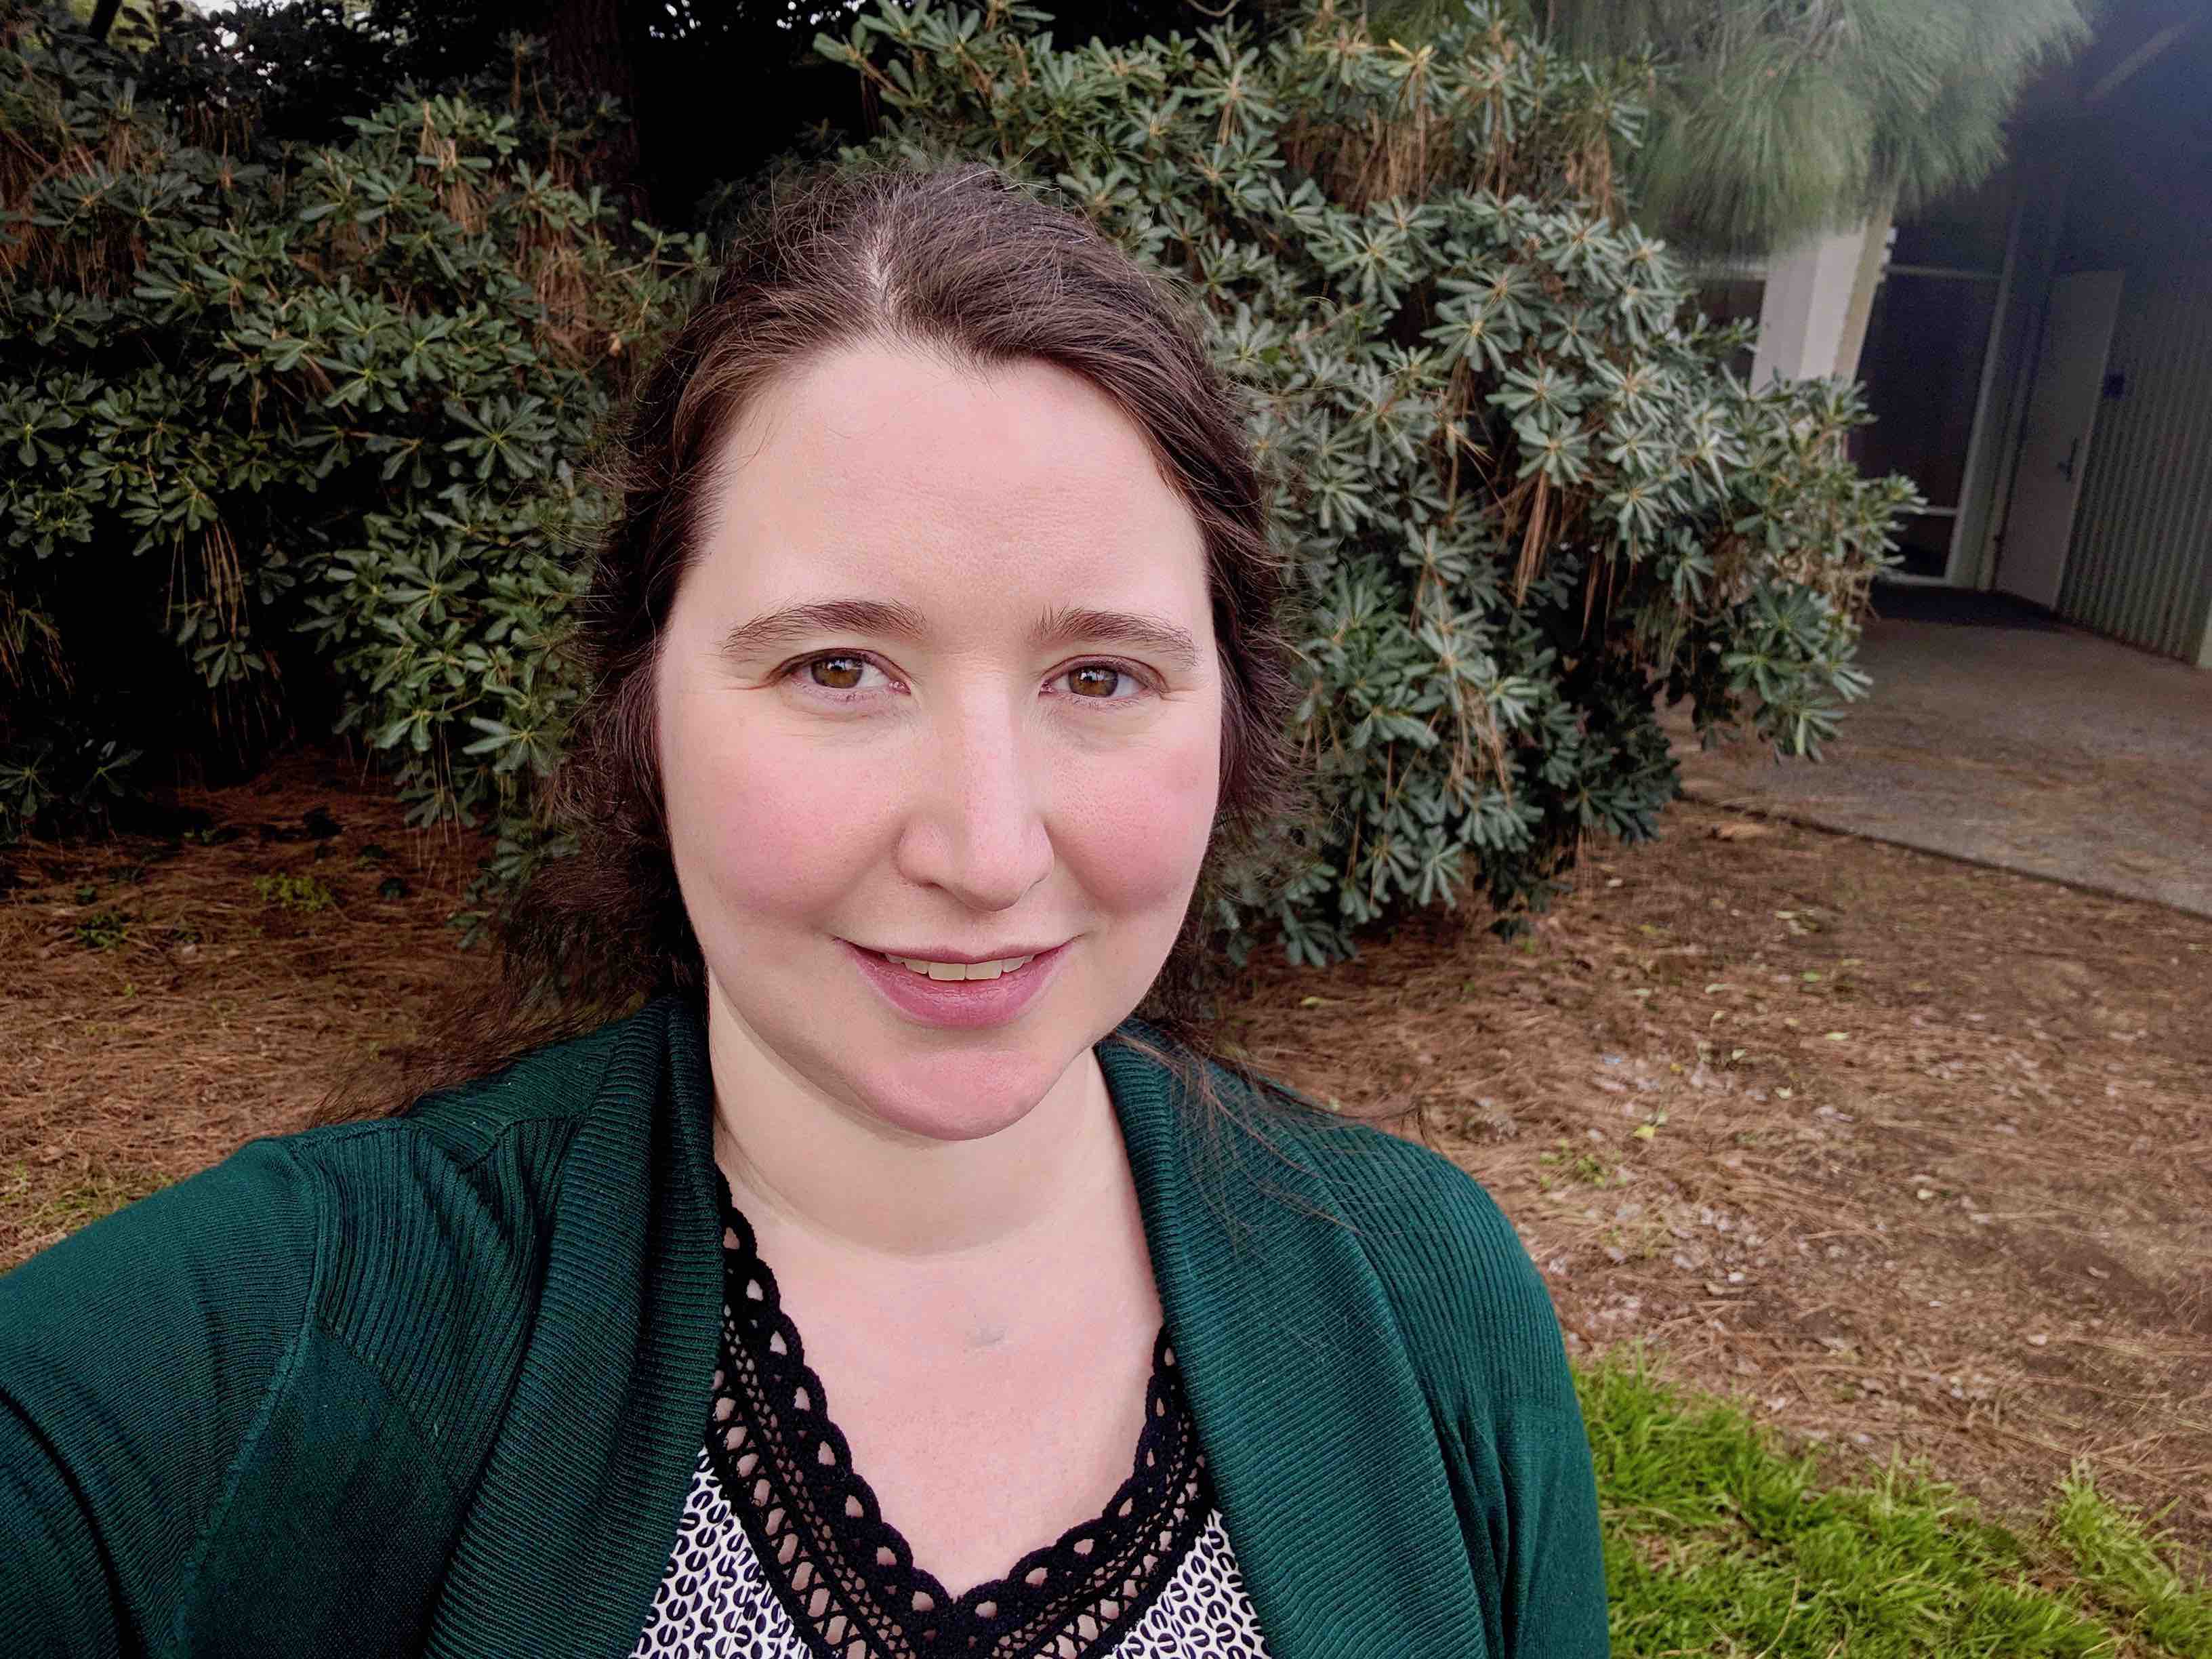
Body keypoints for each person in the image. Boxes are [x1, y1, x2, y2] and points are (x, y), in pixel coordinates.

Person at [0, 162, 1610, 1658]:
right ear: (644, 706)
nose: (984, 850)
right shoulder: (319, 1319)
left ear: (1231, 719)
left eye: (1099, 674)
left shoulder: (1425, 1301)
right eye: (840, 667)